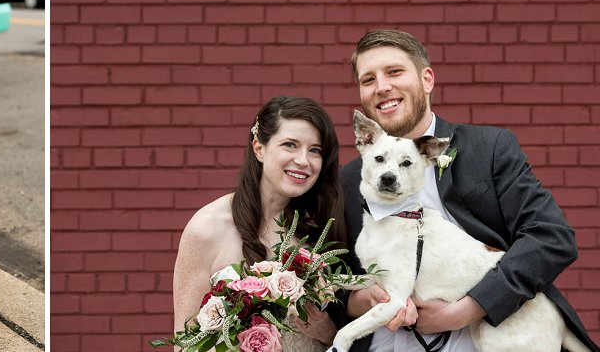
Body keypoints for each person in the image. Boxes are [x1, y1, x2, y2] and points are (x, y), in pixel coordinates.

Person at [338, 29, 599, 352]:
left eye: (394, 72)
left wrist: (464, 311)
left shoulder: (488, 149)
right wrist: (363, 299)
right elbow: (339, 284)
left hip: (492, 336)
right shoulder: (351, 180)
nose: (382, 87)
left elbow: (551, 239)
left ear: (427, 80)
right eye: (368, 80)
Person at [173, 95, 346, 351]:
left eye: (315, 150)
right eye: (289, 145)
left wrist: (329, 332)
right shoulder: (207, 228)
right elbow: (186, 344)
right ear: (258, 147)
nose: (303, 160)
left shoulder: (318, 231)